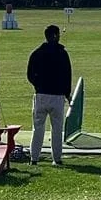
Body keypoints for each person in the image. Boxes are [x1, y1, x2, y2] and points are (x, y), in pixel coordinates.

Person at [26, 23, 72, 166]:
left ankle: (34, 158)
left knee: (38, 127)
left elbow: (29, 74)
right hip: (57, 96)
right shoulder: (62, 53)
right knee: (57, 130)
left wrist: (37, 85)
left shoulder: (37, 53)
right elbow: (67, 75)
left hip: (41, 95)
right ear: (54, 35)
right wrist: (67, 93)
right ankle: (56, 158)